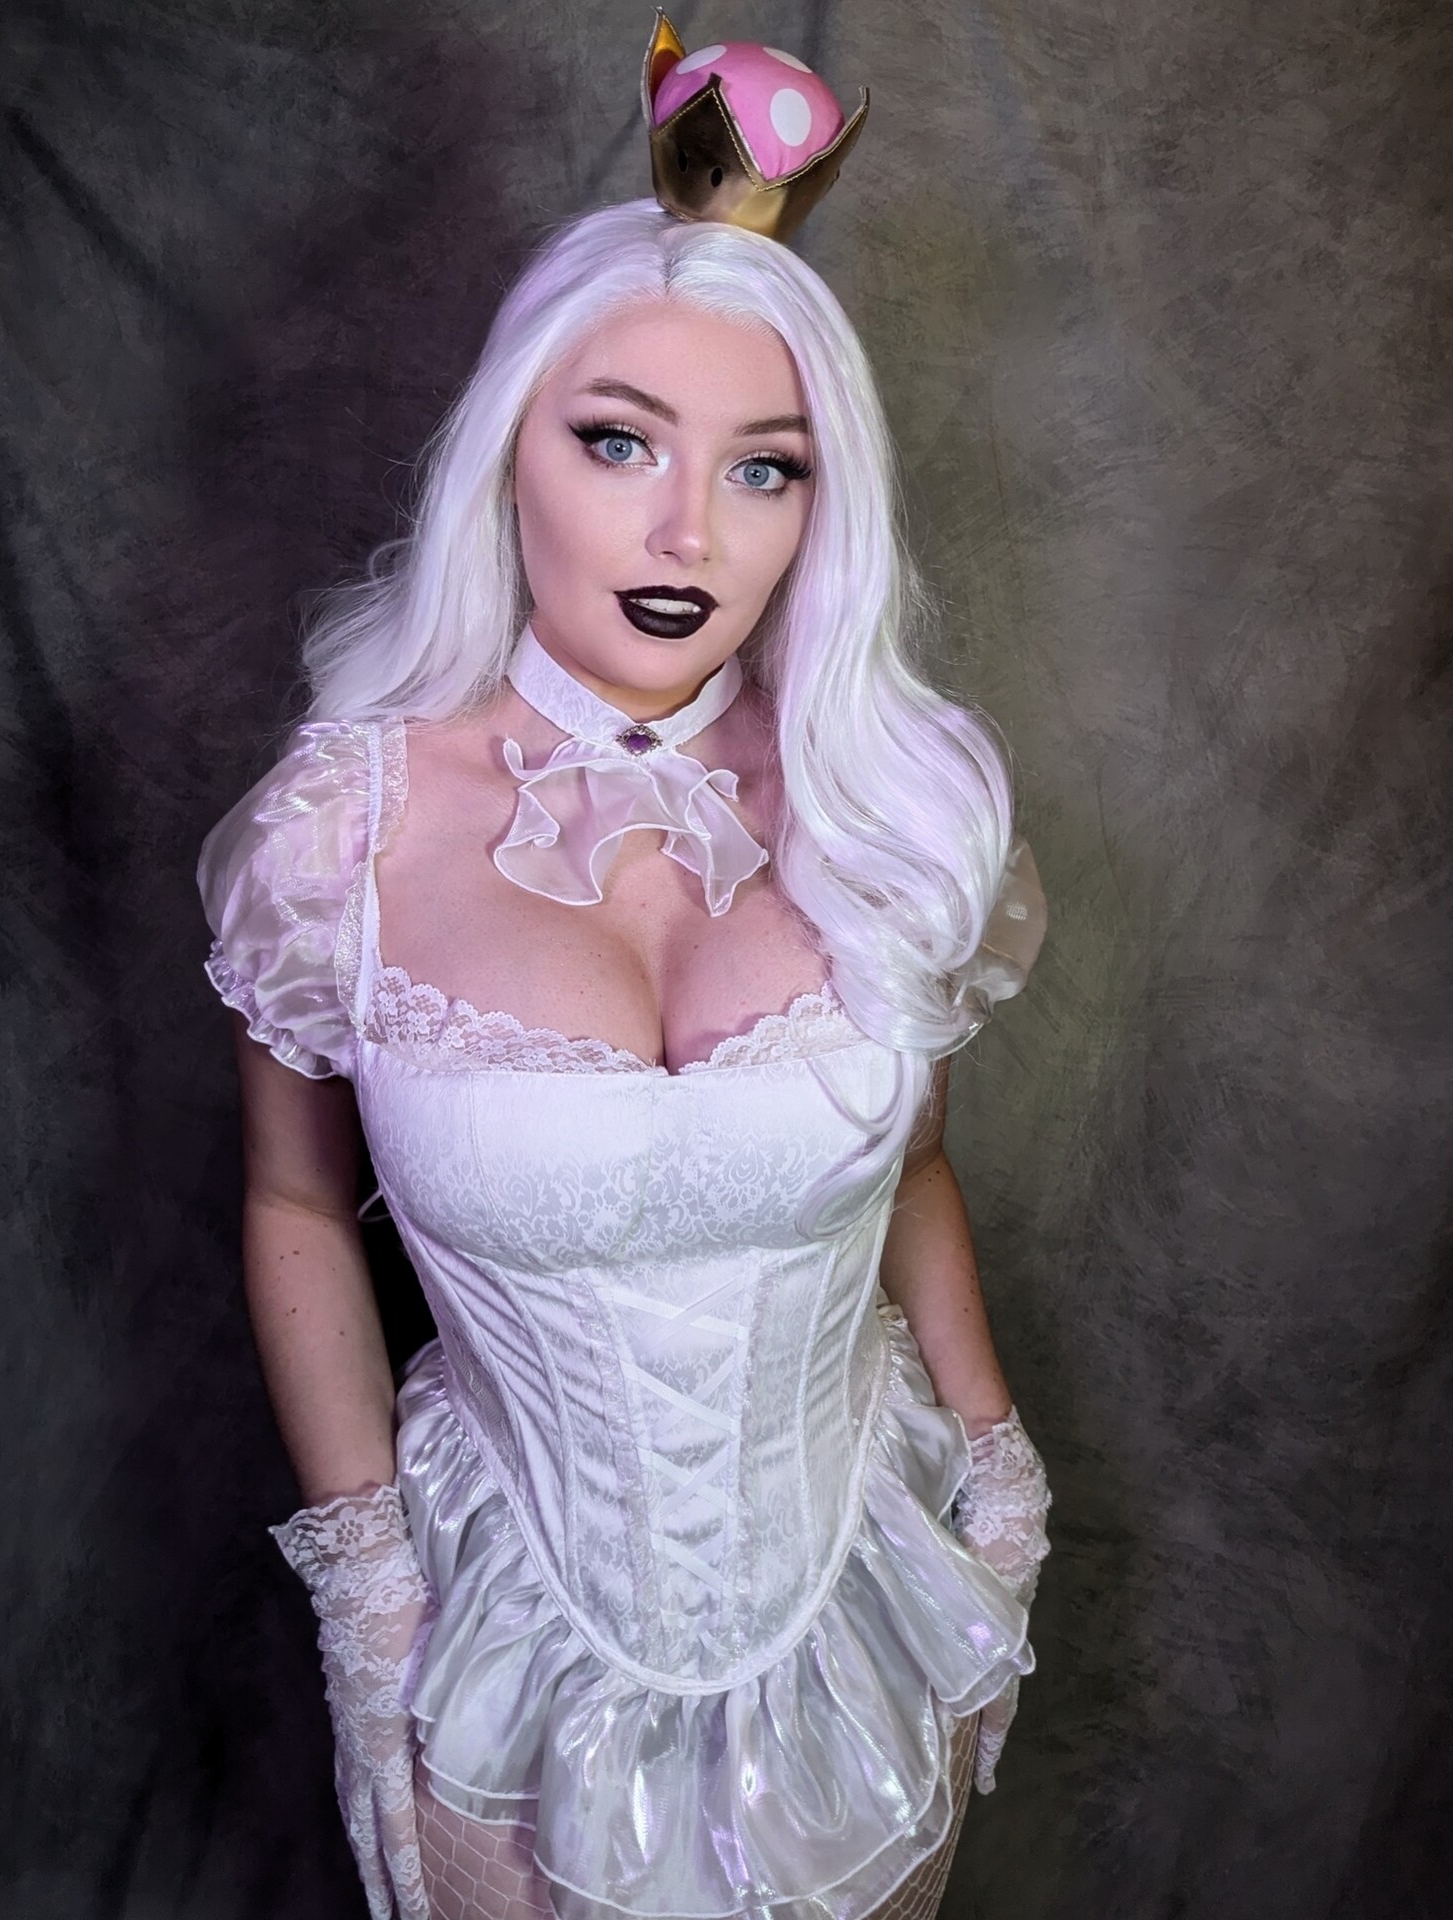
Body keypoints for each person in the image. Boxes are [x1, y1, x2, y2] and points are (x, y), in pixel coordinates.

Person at [196, 16, 1052, 1917]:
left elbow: (912, 1161)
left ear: (828, 506)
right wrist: (369, 1601)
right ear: (509, 454)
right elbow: (292, 1198)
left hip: (864, 1631)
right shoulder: (340, 836)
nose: (688, 533)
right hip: (502, 1655)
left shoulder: (893, 811)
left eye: (767, 470)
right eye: (617, 441)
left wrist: (1000, 1479)